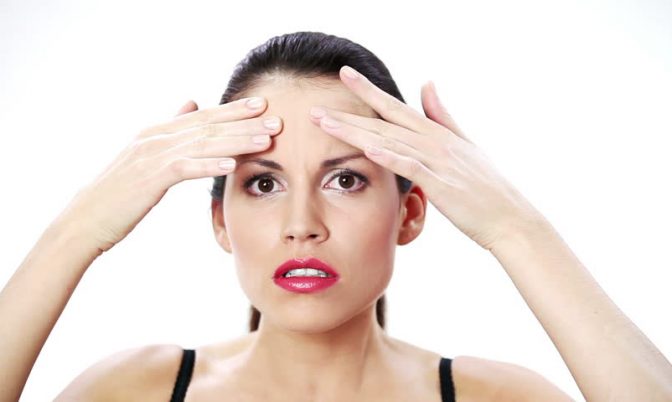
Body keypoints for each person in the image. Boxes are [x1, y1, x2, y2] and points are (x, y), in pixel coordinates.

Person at [1, 31, 670, 402]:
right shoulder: (133, 391)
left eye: (345, 179)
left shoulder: (494, 398)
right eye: (264, 183)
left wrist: (516, 229)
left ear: (409, 213)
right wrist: (75, 232)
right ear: (220, 221)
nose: (302, 224)